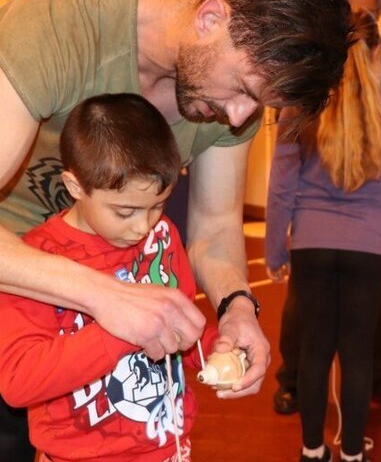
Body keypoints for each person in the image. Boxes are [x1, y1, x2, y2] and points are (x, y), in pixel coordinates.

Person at [0, 0, 351, 459]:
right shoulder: (63, 18)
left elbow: (215, 226)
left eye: (260, 105)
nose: (239, 117)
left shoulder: (232, 97)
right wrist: (108, 298)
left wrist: (237, 307)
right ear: (211, 18)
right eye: (243, 89)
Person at [0, 93, 222, 461]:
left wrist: (213, 347)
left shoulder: (162, 238)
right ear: (75, 187)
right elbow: (19, 381)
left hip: (168, 449)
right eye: (124, 211)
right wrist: (122, 330)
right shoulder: (33, 262)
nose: (143, 226)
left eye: (158, 205)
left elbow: (179, 332)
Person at [273, 0, 381, 414]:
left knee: (374, 307)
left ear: (380, 14)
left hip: (374, 214)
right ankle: (293, 379)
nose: (357, 17)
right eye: (350, 9)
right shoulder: (311, 64)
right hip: (319, 221)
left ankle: (377, 374)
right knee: (304, 308)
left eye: (367, 10)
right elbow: (286, 166)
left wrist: (380, 148)